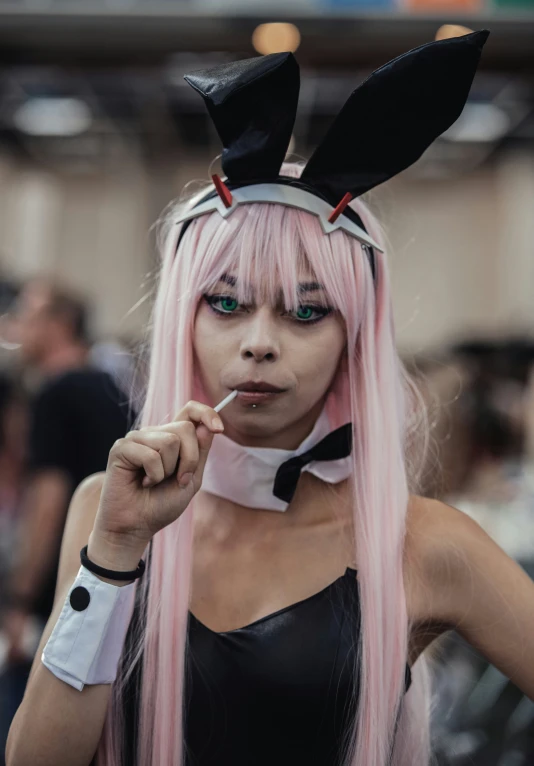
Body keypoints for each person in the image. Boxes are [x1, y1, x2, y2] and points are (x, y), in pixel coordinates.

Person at [7, 30, 534, 766]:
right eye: (225, 304)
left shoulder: (419, 542)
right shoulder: (105, 511)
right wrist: (117, 554)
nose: (259, 342)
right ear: (182, 320)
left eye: (306, 311)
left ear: (354, 338)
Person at [0, 279, 133, 708]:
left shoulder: (55, 391)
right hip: (104, 581)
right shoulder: (109, 386)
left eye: (27, 315)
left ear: (60, 324)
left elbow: (47, 500)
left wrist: (20, 599)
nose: (15, 326)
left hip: (58, 593)